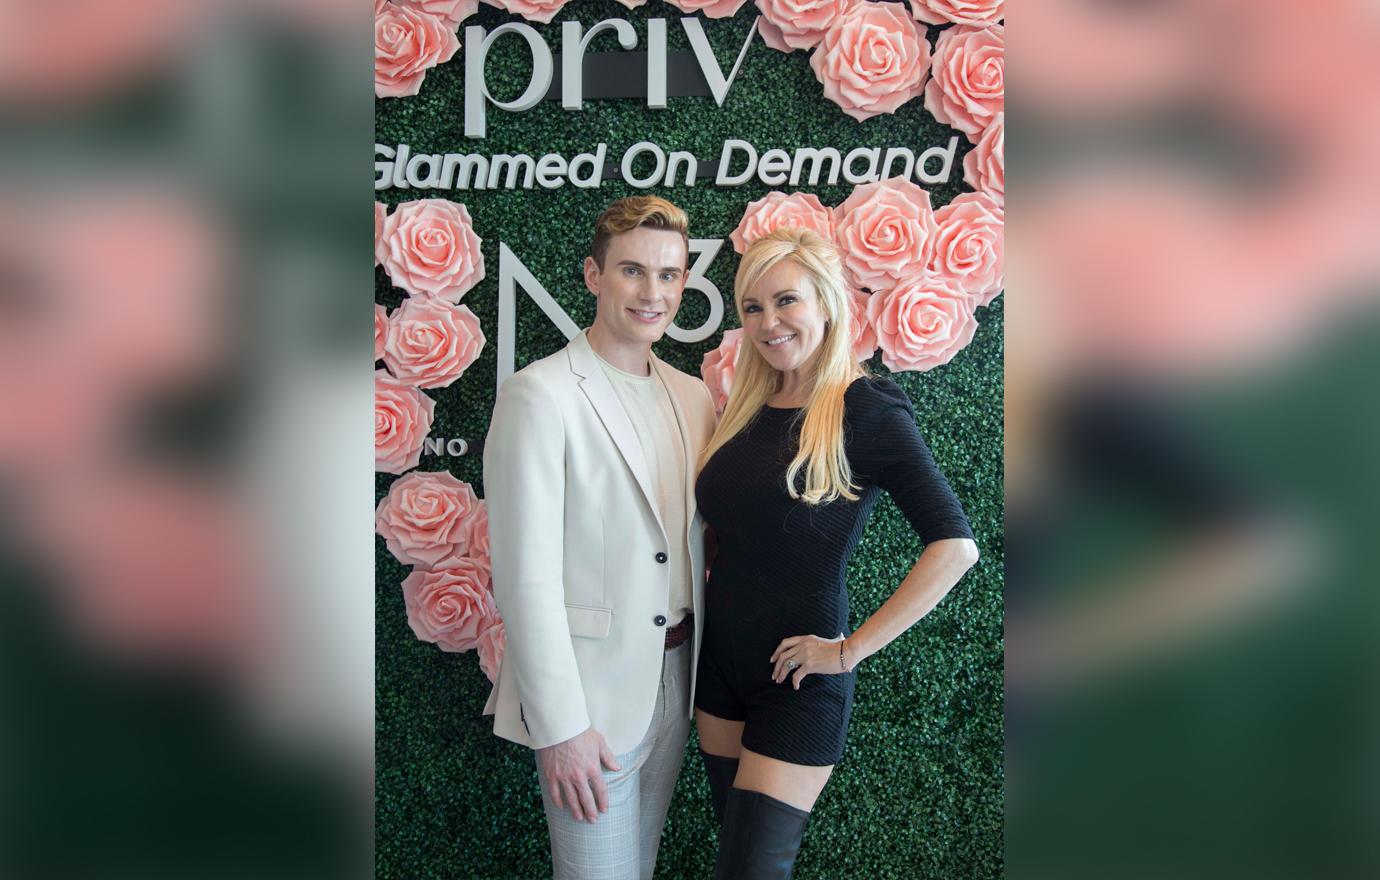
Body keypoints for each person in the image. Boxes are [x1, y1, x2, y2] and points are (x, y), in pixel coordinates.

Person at [693, 228, 981, 879]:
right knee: (734, 858)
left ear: (826, 303)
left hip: (799, 683)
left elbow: (955, 546)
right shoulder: (743, 411)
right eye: (753, 307)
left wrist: (848, 650)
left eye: (786, 301)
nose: (769, 323)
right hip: (719, 675)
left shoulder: (863, 409)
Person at [481, 196, 717, 880]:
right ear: (593, 275)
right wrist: (559, 728)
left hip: (676, 678)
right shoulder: (540, 395)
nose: (653, 293)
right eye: (633, 272)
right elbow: (523, 576)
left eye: (669, 275)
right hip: (587, 699)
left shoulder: (692, 396)